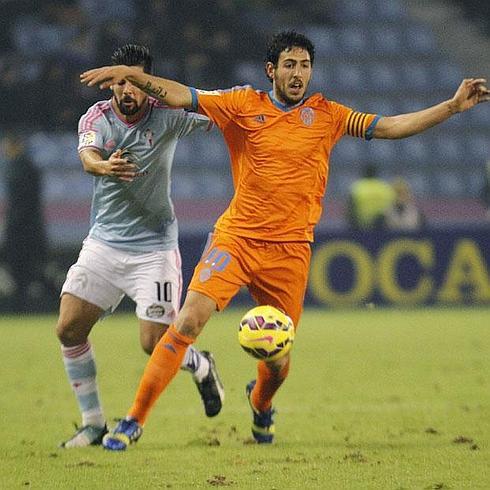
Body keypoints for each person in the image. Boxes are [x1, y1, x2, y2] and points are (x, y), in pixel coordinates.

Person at [80, 31, 489, 450]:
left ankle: (260, 405)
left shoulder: (327, 114)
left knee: (277, 362)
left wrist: (452, 107)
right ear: (271, 70)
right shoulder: (242, 105)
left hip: (290, 252)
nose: (298, 74)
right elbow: (179, 94)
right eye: (289, 65)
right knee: (185, 322)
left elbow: (390, 127)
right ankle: (133, 420)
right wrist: (132, 75)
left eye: (305, 65)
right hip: (236, 239)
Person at [57, 44, 224, 449]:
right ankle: (93, 422)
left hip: (154, 248)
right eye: (119, 81)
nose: (126, 89)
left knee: (154, 344)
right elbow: (87, 156)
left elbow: (220, 110)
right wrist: (102, 165)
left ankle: (201, 364)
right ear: (111, 83)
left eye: (134, 81)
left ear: (148, 85)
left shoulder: (167, 117)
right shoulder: (96, 117)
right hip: (104, 243)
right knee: (68, 329)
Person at [2, 131, 47, 311]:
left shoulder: (17, 168)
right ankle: (28, 305)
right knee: (31, 273)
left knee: (20, 273)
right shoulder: (30, 167)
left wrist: (10, 226)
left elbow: (19, 204)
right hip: (33, 229)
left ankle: (20, 307)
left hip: (20, 231)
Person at [346, 163, 395, 230]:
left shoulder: (358, 187)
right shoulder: (384, 187)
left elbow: (350, 208)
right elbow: (392, 207)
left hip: (361, 227)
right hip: (382, 226)